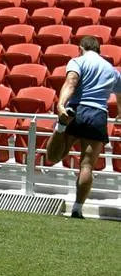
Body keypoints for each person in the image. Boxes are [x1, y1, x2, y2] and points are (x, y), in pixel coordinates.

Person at [48, 36, 121, 219]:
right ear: (99, 50)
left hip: (77, 109)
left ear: (80, 48)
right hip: (98, 115)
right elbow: (120, 97)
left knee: (53, 156)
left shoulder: (77, 61)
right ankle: (77, 208)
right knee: (87, 165)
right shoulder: (112, 70)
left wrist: (60, 105)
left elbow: (70, 82)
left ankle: (61, 127)